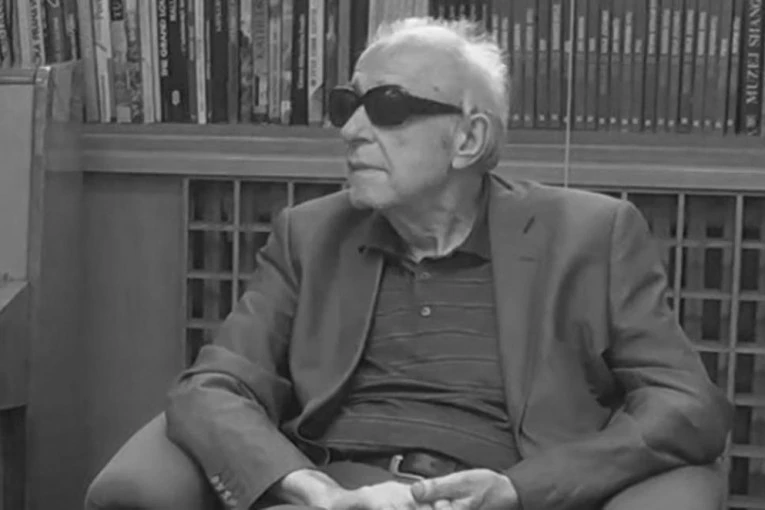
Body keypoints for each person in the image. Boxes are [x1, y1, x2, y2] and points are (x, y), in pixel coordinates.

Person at [164, 17, 732, 510]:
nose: (351, 131)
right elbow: (212, 386)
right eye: (346, 106)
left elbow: (686, 406)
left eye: (387, 107)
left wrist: (523, 489)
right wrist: (315, 490)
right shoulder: (308, 235)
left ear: (469, 138)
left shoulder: (590, 236)